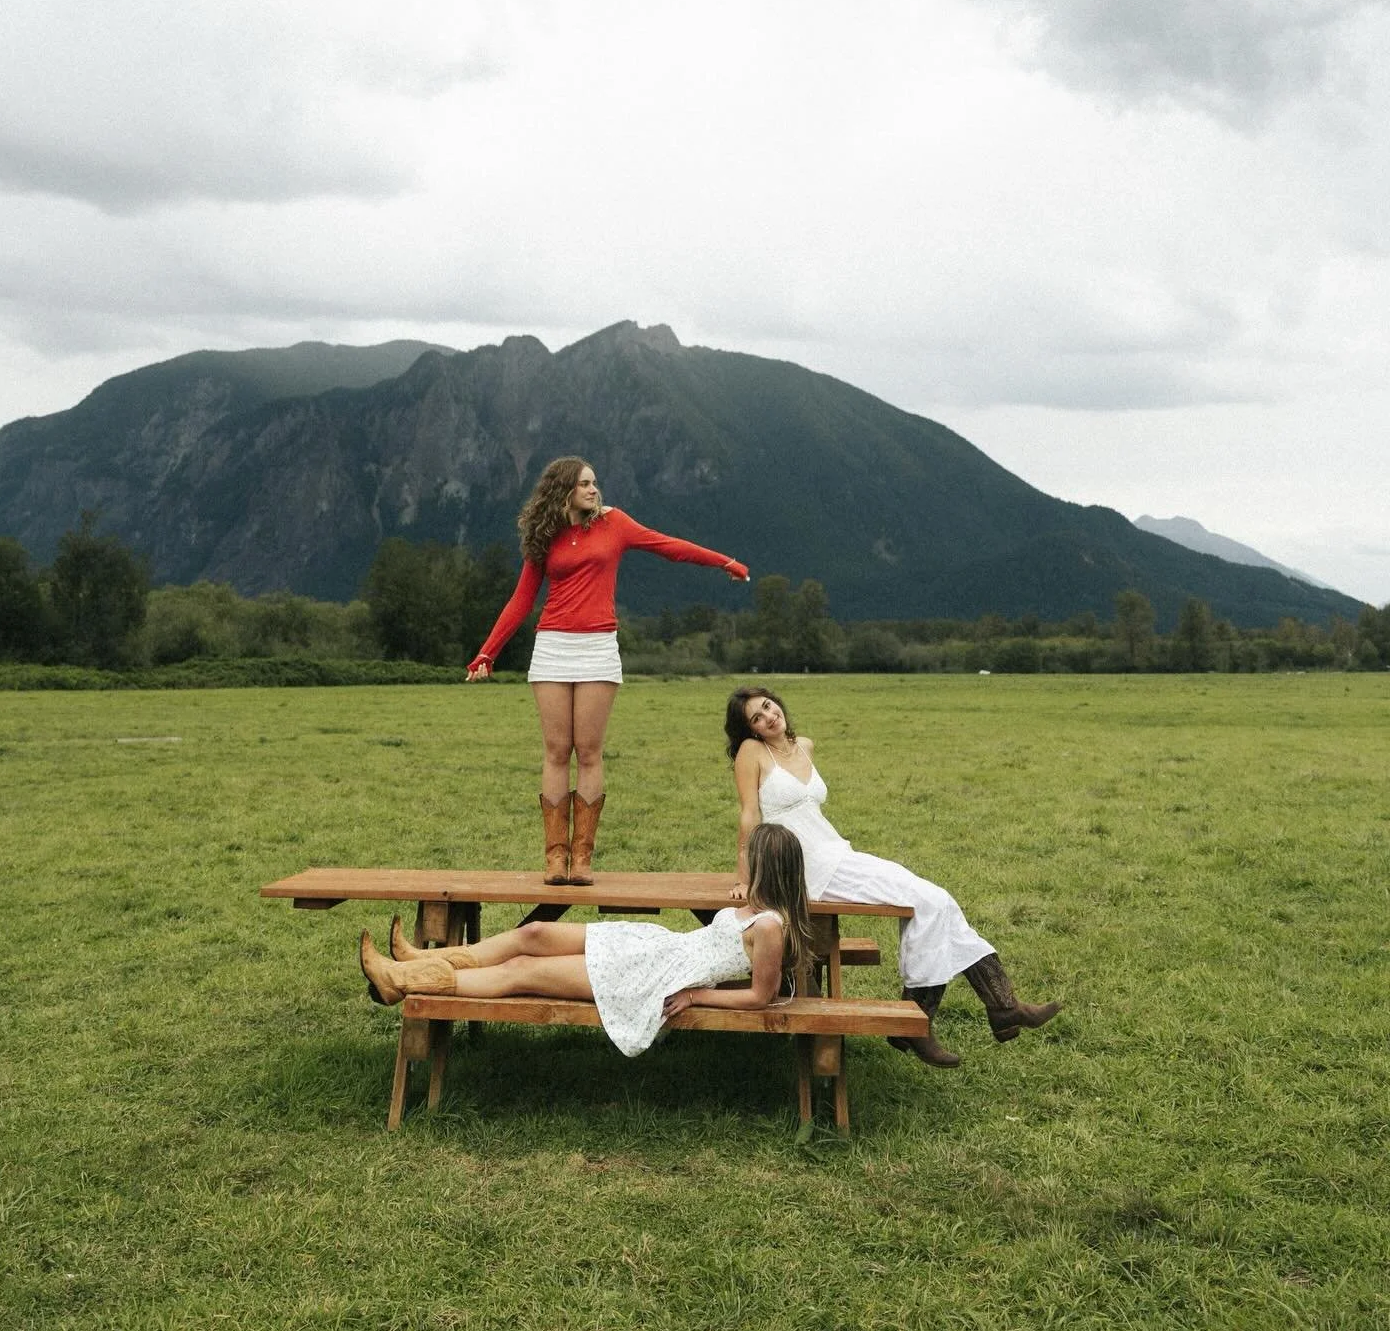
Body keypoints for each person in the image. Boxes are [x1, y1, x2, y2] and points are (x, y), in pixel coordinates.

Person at [724, 686, 1060, 1069]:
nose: (768, 716)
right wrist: (745, 878)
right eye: (756, 718)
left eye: (768, 706)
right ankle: (927, 1019)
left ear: (777, 703)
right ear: (750, 730)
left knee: (937, 901)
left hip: (836, 852)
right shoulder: (753, 753)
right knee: (930, 901)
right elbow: (749, 816)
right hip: (804, 868)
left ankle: (999, 1007)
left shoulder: (805, 745)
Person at [466, 456, 748, 885]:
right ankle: (555, 858)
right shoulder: (544, 535)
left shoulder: (615, 523)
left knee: (590, 751)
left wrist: (724, 561)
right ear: (564, 489)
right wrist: (488, 652)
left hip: (598, 647)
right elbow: (522, 598)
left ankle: (582, 859)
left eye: (595, 482)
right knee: (557, 751)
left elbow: (667, 546)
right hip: (553, 648)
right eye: (584, 484)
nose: (594, 490)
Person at [358, 823, 810, 1059]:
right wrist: (741, 892)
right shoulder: (752, 902)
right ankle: (419, 959)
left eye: (751, 856)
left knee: (523, 972)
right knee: (532, 933)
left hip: (653, 975)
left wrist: (694, 995)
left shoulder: (770, 926)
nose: (743, 860)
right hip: (652, 946)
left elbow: (760, 996)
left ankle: (402, 979)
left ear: (768, 867)